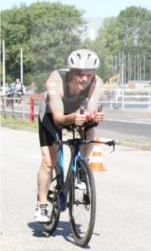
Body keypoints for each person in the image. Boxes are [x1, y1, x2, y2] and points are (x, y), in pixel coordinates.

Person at [35, 50, 105, 223]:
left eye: (89, 75)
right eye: (80, 74)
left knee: (91, 128)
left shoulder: (97, 83)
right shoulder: (55, 80)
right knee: (49, 161)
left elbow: (90, 111)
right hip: (52, 114)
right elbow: (59, 119)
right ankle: (42, 204)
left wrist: (94, 116)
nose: (84, 79)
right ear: (71, 72)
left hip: (75, 111)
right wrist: (73, 117)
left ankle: (82, 166)